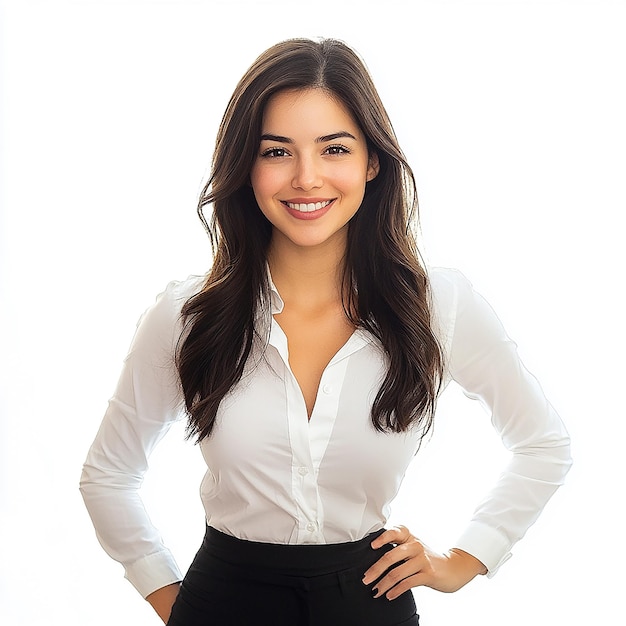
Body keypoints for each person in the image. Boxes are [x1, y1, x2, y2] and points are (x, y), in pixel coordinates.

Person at [80, 38, 572, 626]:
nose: (307, 178)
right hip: (226, 598)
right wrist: (175, 602)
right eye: (277, 151)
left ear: (371, 161)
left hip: (370, 605)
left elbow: (542, 443)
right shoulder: (188, 317)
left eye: (333, 148)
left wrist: (466, 559)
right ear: (247, 168)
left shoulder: (438, 305)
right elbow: (107, 475)